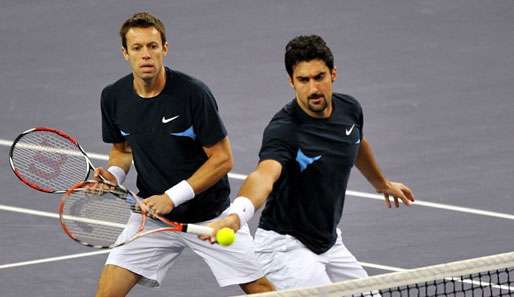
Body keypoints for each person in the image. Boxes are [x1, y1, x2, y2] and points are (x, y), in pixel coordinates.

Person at [203, 35, 416, 290]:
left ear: (333, 74)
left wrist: (382, 184)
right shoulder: (283, 130)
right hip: (284, 247)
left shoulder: (349, 109)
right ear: (291, 82)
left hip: (328, 241)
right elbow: (263, 176)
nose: (313, 89)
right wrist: (237, 216)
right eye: (303, 80)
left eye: (319, 77)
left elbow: (356, 143)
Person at [93, 12, 273, 297]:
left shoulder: (193, 95)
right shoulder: (114, 97)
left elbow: (222, 159)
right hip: (152, 218)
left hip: (210, 217)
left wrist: (171, 197)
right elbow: (122, 150)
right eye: (137, 48)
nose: (146, 55)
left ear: (165, 48)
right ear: (125, 53)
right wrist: (113, 174)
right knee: (106, 294)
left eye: (153, 46)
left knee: (262, 289)